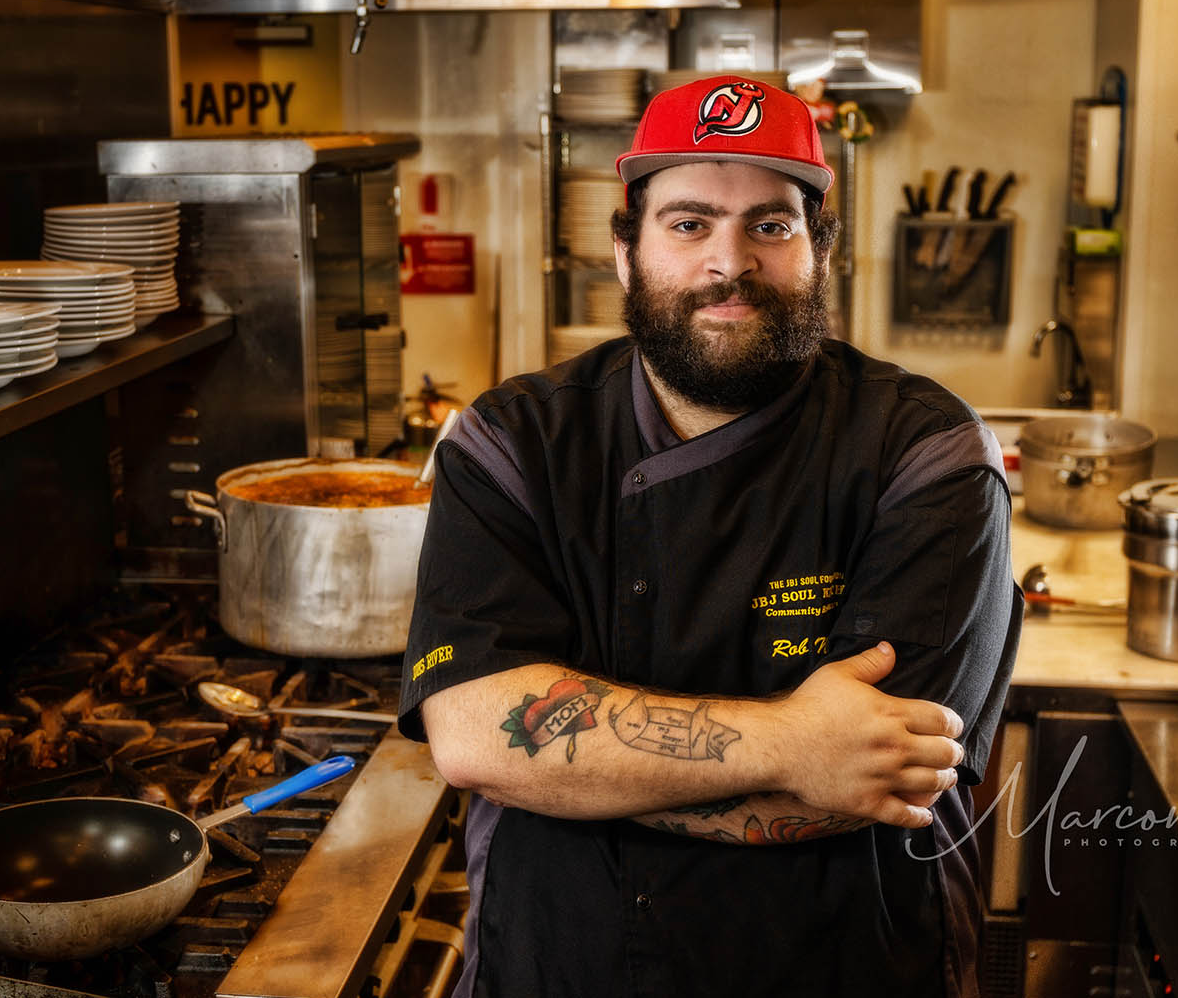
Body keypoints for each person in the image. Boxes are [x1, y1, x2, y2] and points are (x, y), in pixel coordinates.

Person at [397, 75, 1021, 998]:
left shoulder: (926, 453)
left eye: (769, 225)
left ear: (821, 248)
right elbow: (472, 737)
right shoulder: (513, 443)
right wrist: (791, 746)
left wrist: (573, 779)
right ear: (625, 249)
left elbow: (890, 778)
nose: (728, 263)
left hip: (844, 963)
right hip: (564, 964)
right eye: (689, 223)